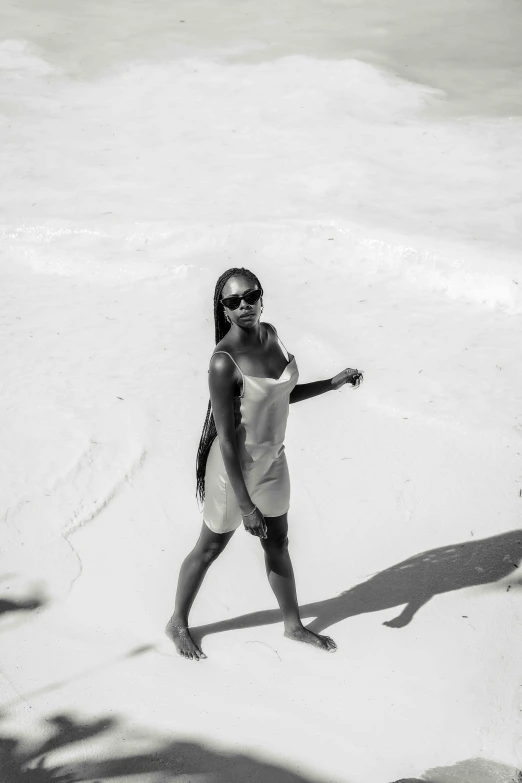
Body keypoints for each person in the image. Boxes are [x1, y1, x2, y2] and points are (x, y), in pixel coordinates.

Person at [167, 267, 363, 660]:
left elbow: (280, 396)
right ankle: (177, 623)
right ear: (223, 310)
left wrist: (332, 383)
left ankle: (294, 626)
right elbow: (225, 441)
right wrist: (246, 506)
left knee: (279, 543)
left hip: (273, 460)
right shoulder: (223, 362)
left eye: (250, 296)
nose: (244, 306)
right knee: (210, 548)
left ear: (261, 296)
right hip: (232, 473)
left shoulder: (271, 335)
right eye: (233, 301)